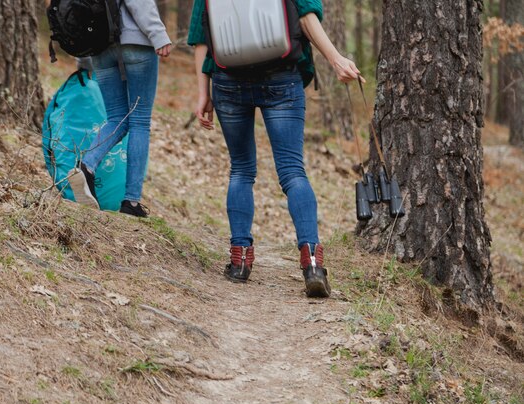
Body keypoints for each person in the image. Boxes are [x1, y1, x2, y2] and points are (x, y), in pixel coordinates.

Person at [188, 0, 364, 297]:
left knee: (241, 170)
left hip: (228, 81)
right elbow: (307, 17)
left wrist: (203, 93)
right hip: (281, 76)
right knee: (293, 172)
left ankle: (240, 261)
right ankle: (312, 263)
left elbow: (201, 36)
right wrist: (335, 59)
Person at [68, 0, 172, 218]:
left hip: (99, 47)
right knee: (139, 121)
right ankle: (131, 201)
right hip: (135, 42)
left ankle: (86, 167)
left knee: (116, 117)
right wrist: (158, 34)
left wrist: (82, 59)